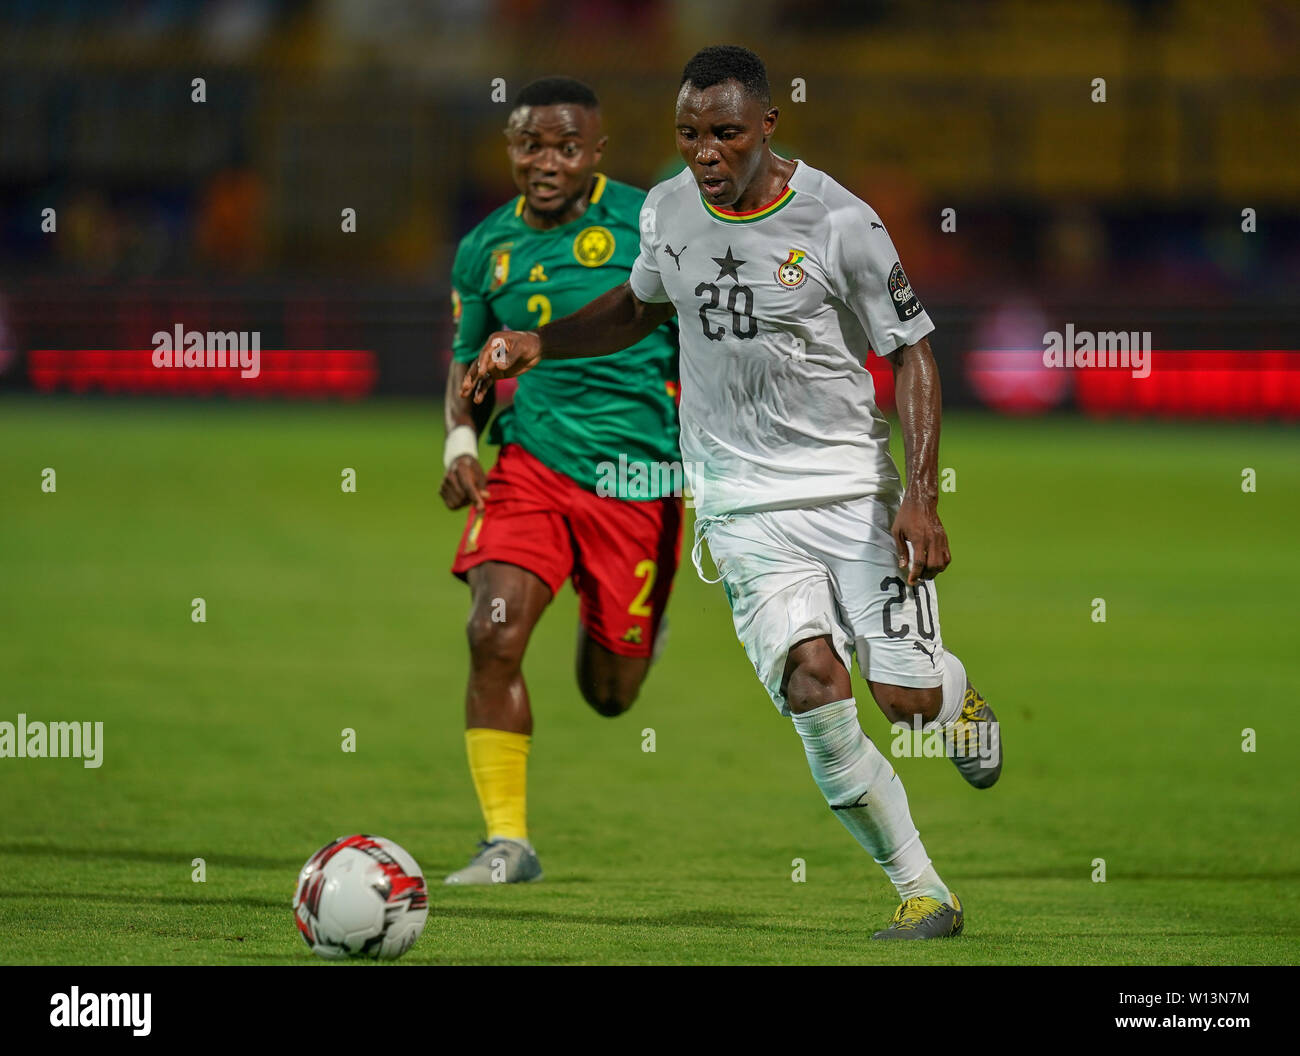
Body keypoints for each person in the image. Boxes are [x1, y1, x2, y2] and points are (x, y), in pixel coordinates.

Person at [462, 47, 1002, 937]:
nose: (704, 152)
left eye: (724, 134)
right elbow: (640, 308)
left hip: (849, 491)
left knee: (898, 698)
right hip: (740, 502)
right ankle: (923, 891)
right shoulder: (670, 208)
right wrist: (537, 340)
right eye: (688, 134)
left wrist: (923, 497)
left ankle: (949, 696)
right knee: (814, 690)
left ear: (767, 127)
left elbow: (910, 353)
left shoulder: (839, 221)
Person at [441, 76, 683, 885]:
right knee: (492, 632)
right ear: (510, 147)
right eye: (529, 145)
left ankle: (631, 626)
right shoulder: (485, 249)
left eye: (565, 147)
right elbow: (465, 362)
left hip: (637, 475)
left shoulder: (652, 221)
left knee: (611, 695)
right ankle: (506, 842)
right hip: (533, 467)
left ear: (597, 153)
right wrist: (460, 444)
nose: (545, 161)